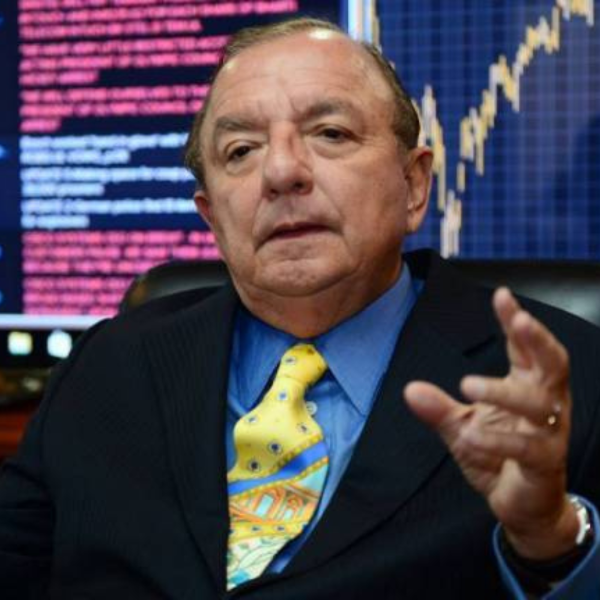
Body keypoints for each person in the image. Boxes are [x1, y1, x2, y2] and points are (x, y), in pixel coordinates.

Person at [1, 17, 599, 599]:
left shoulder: (567, 381)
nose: (282, 171)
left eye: (330, 134)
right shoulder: (108, 366)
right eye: (241, 150)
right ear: (212, 217)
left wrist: (551, 541)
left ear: (414, 186)